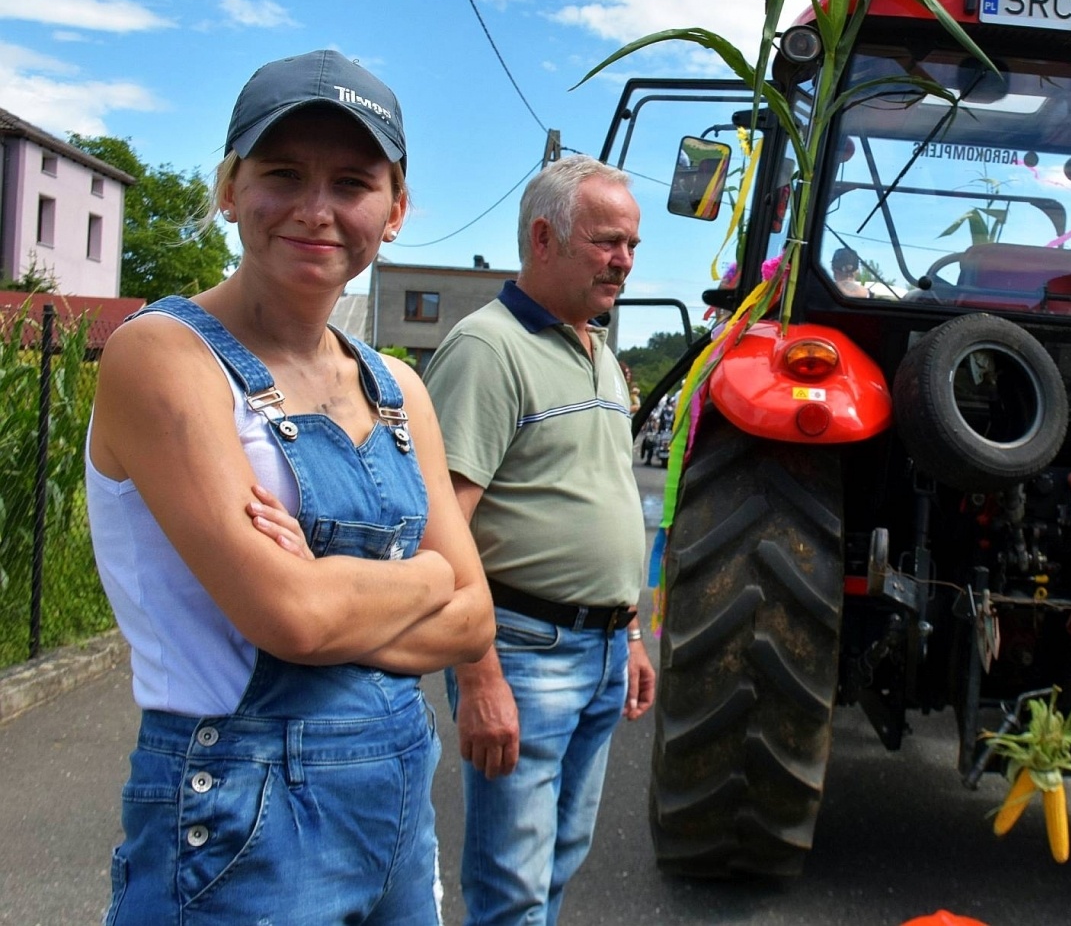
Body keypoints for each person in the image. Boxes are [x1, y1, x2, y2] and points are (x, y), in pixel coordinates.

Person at [86, 49, 494, 923]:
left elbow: (474, 620)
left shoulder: (397, 387)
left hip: (397, 816)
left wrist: (331, 588)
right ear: (231, 188)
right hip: (239, 823)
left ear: (395, 210)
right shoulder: (162, 354)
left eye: (352, 182)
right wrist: (427, 576)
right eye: (282, 174)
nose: (316, 210)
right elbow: (291, 618)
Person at [423, 155, 657, 926]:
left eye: (632, 244)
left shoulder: (599, 352)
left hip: (601, 650)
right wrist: (480, 676)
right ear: (543, 238)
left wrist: (631, 632)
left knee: (558, 862)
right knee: (513, 886)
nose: (623, 260)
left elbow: (601, 495)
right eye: (607, 241)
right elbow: (441, 529)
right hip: (524, 650)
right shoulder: (488, 349)